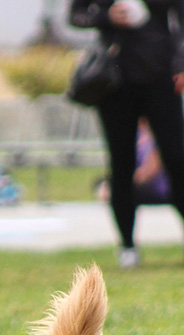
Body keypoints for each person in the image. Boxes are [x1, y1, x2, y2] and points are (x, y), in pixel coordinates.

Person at [70, 0, 184, 268]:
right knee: (121, 162)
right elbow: (76, 15)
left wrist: (180, 62)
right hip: (115, 80)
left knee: (177, 158)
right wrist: (106, 16)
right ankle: (128, 245)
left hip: (159, 73)